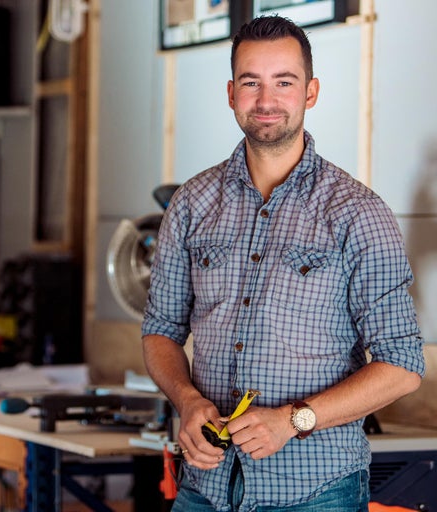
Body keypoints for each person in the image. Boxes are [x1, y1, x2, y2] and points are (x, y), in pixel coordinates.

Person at [141, 14, 425, 512]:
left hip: (315, 494)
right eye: (251, 82)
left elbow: (402, 366)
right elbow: (160, 331)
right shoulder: (191, 204)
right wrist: (186, 400)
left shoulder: (357, 213)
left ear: (310, 92)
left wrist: (294, 420)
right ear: (231, 93)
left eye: (284, 82)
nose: (266, 100)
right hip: (204, 488)